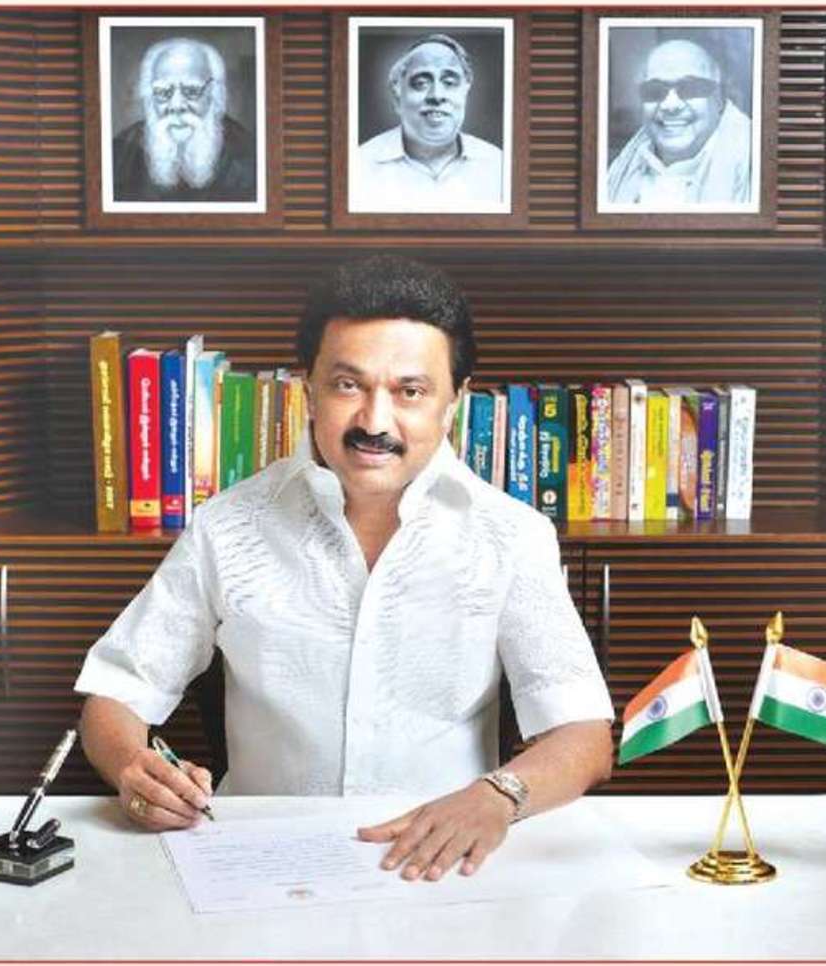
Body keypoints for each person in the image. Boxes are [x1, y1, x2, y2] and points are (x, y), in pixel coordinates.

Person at [75, 255, 614, 882]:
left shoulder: (512, 537)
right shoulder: (228, 526)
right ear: (309, 390)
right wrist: (133, 768)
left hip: (441, 868)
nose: (374, 422)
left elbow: (584, 736)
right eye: (347, 385)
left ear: (453, 402)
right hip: (257, 862)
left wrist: (498, 797)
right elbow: (116, 693)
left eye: (410, 392)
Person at [353, 34, 505, 209]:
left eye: (449, 82)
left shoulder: (498, 166)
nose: (436, 95)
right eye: (421, 83)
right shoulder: (358, 166)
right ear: (397, 98)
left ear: (465, 92)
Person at [605, 35, 752, 207]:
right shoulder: (623, 166)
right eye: (655, 90)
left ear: (719, 98)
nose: (670, 105)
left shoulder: (754, 162)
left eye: (690, 88)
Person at [110, 36, 256, 202]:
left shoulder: (247, 154)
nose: (177, 105)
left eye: (192, 90)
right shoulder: (121, 153)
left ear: (213, 92)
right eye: (163, 91)